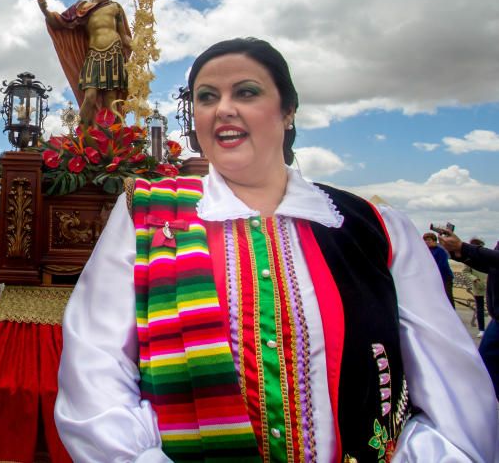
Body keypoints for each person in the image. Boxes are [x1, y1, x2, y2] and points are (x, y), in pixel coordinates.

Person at [55, 37, 498, 462]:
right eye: (206, 97)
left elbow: (456, 399)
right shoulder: (146, 217)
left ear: (288, 111)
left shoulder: (377, 229)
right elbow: (95, 370)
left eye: (246, 92)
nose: (223, 109)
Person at [36, 0, 133, 128]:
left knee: (111, 101)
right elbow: (59, 21)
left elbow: (123, 36)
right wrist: (44, 8)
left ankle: (113, 139)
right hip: (94, 55)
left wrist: (137, 45)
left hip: (115, 54)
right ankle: (80, 136)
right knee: (90, 96)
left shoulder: (115, 7)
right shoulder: (81, 7)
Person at [440, 229, 499, 401]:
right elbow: (491, 264)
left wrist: (463, 247)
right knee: (487, 364)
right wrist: (459, 254)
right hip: (497, 318)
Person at [463, 238, 489, 336]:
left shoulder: (487, 256)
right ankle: (481, 329)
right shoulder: (469, 259)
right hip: (478, 286)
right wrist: (474, 279)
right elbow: (465, 271)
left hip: (489, 286)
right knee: (480, 309)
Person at [423, 231, 455, 306]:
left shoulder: (440, 251)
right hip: (432, 277)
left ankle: (451, 314)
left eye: (429, 240)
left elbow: (442, 265)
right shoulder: (425, 251)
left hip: (444, 278)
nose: (427, 242)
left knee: (447, 297)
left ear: (434, 241)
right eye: (425, 240)